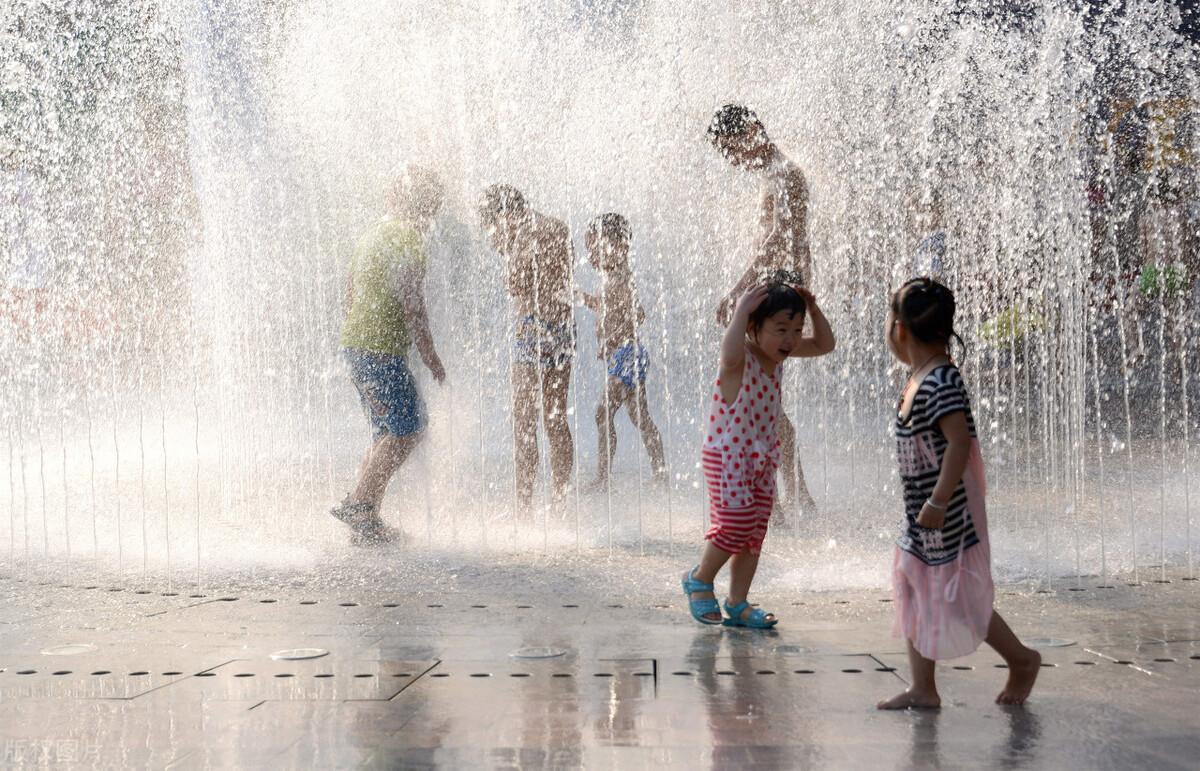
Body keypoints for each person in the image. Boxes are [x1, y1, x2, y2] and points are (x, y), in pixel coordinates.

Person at [878, 277, 1041, 709]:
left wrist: (938, 500)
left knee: (957, 595)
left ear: (899, 330)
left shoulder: (941, 381)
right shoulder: (921, 376)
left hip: (945, 509)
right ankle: (923, 688)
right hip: (925, 508)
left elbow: (959, 443)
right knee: (913, 582)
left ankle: (1021, 659)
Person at [680, 278, 835, 628]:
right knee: (734, 524)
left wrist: (813, 308)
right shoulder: (741, 359)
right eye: (781, 329)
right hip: (727, 456)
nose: (790, 339)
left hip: (761, 457)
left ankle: (737, 603)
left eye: (796, 330)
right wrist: (739, 314)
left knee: (753, 534)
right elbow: (729, 351)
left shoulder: (778, 354)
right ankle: (700, 578)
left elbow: (825, 344)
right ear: (753, 328)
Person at [706, 103, 817, 521]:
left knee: (766, 397)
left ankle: (787, 496)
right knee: (767, 397)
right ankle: (794, 493)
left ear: (751, 130)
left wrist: (739, 293)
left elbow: (778, 240)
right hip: (779, 295)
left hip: (777, 299)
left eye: (733, 150)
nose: (734, 162)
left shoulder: (785, 174)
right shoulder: (779, 173)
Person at [330, 167, 447, 545]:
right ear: (426, 207)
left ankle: (366, 522)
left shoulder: (373, 234)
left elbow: (350, 291)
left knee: (387, 431)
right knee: (409, 427)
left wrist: (359, 339)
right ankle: (361, 505)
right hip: (381, 350)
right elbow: (413, 303)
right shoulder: (408, 240)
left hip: (359, 345)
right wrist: (430, 356)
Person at [478, 184, 575, 512]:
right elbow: (562, 278)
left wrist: (508, 253)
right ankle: (560, 501)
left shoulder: (525, 232)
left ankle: (524, 505)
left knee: (524, 420)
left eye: (492, 228)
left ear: (503, 216)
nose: (493, 237)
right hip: (562, 330)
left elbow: (516, 282)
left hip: (533, 330)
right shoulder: (557, 226)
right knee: (556, 417)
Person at [575, 213, 666, 490]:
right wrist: (583, 299)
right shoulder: (613, 278)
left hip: (629, 355)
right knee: (638, 416)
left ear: (619, 246)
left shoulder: (622, 278)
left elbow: (638, 315)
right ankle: (659, 472)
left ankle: (604, 478)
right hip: (624, 356)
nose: (590, 256)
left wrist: (613, 336)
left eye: (595, 248)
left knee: (603, 412)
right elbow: (608, 307)